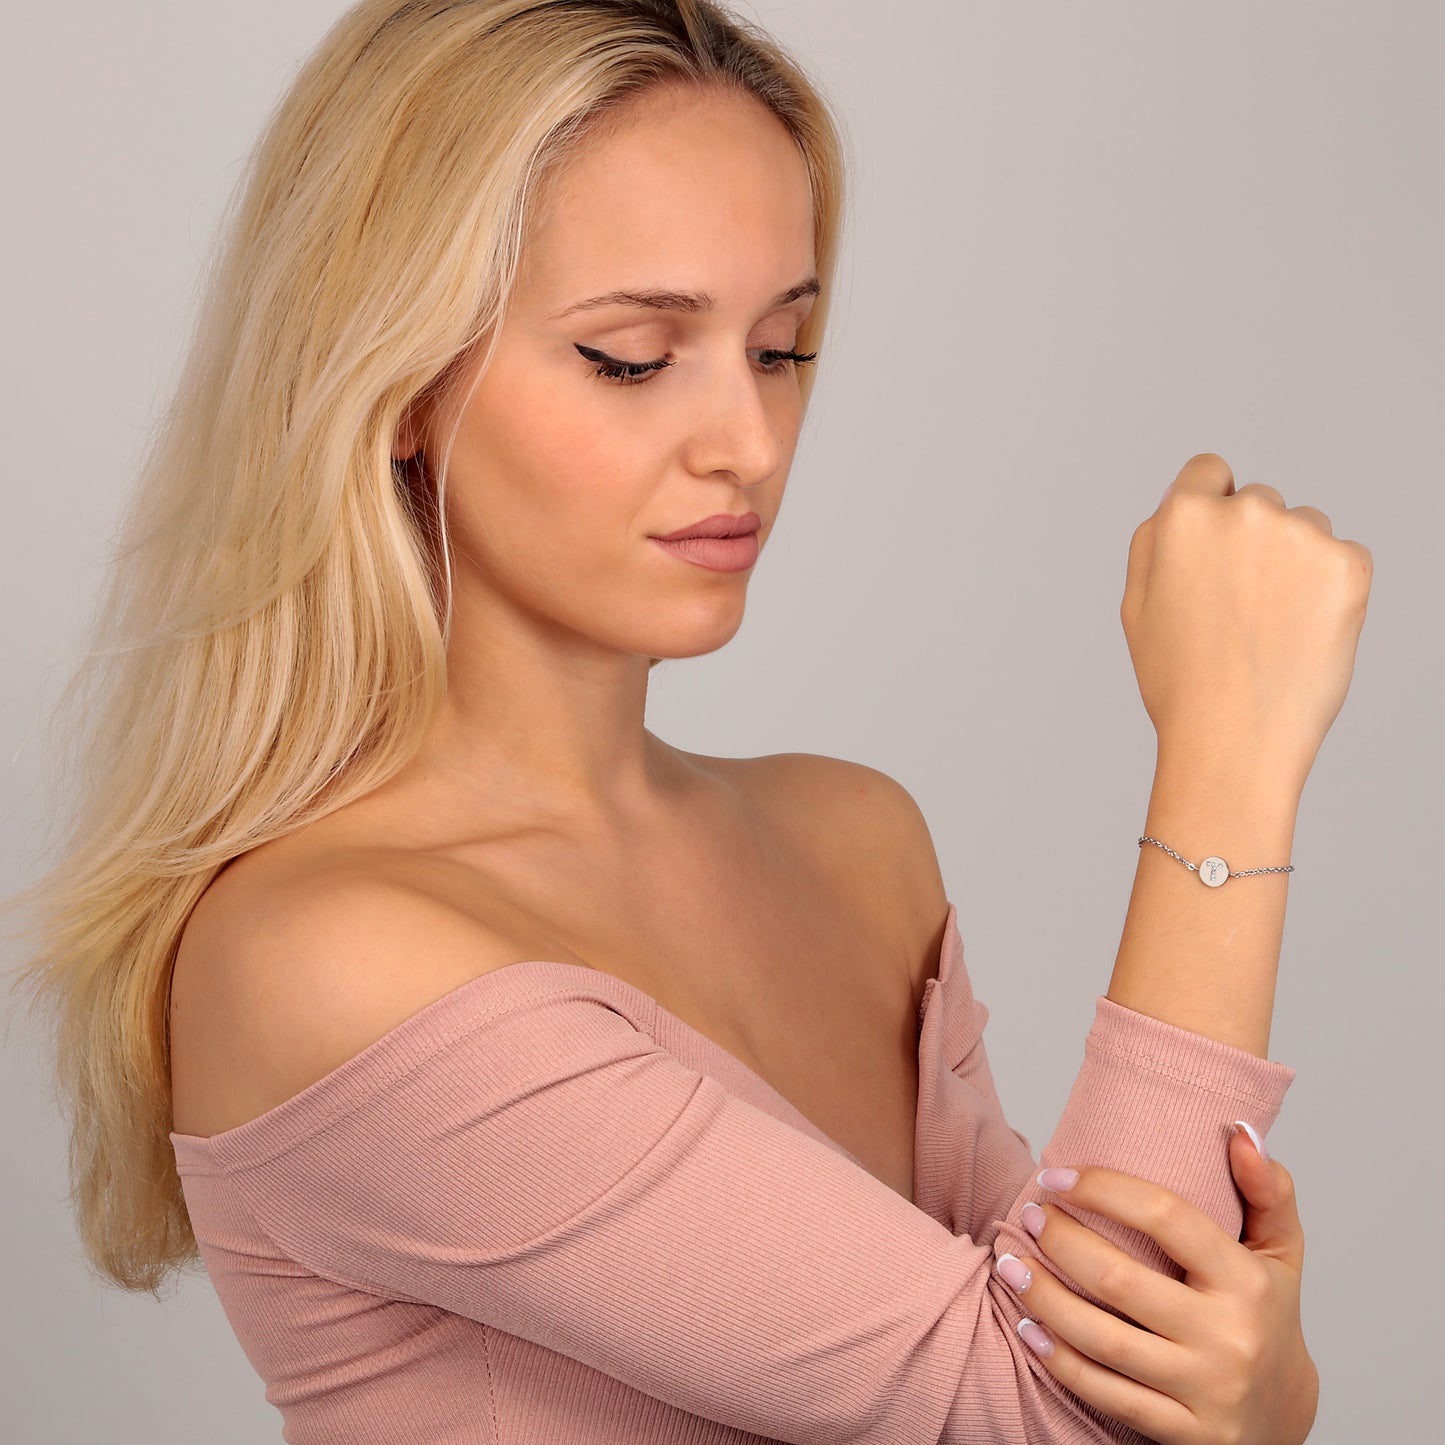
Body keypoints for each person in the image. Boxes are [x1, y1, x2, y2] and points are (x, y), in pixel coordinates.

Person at [9, 1, 1371, 1441]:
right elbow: (1055, 1416)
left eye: (779, 349)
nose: (748, 443)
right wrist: (1230, 748)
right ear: (394, 381)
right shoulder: (326, 959)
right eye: (633, 355)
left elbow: (1088, 1359)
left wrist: (1255, 1394)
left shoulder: (854, 840)